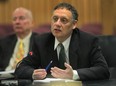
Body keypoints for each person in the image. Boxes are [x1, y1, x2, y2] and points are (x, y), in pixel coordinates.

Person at [15, 2, 110, 81]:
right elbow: (21, 68)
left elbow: (103, 70)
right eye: (55, 19)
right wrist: (32, 73)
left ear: (74, 24)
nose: (57, 24)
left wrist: (73, 74)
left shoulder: (88, 41)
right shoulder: (41, 42)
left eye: (63, 20)